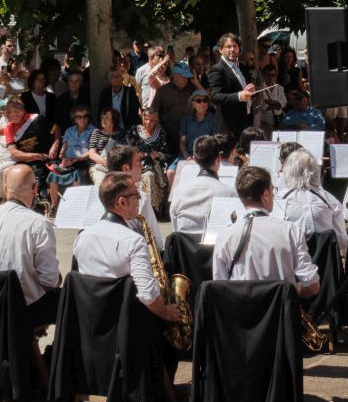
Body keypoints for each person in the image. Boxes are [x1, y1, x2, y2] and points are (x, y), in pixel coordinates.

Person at [72, 172, 185, 334]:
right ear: (122, 202)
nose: (140, 200)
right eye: (137, 195)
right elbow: (147, 295)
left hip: (90, 321)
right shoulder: (133, 241)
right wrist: (166, 311)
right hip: (124, 326)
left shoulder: (82, 237)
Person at [0, 164, 62, 330]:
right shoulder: (38, 224)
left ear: (5, 188)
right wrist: (58, 278)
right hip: (21, 309)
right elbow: (49, 282)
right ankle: (62, 353)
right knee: (69, 300)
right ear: (34, 189)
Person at [211, 166, 320, 294]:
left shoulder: (225, 236)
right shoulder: (291, 231)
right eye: (272, 190)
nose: (274, 195)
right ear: (266, 195)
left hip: (242, 312)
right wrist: (293, 291)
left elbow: (220, 289)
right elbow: (312, 285)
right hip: (281, 312)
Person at [276, 143, 347, 258]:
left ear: (288, 171)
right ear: (315, 171)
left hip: (289, 263)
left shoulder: (279, 200)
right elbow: (342, 241)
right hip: (324, 265)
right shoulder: (329, 200)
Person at [171, 135, 238, 236]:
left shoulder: (178, 192)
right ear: (219, 158)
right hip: (215, 250)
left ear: (195, 159)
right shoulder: (230, 194)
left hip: (184, 250)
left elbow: (175, 230)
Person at [203, 33, 260, 139]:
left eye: (235, 46)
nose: (232, 49)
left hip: (245, 122)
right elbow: (215, 97)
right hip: (228, 127)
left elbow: (246, 92)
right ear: (221, 50)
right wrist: (239, 96)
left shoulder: (242, 67)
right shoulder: (217, 69)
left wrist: (252, 92)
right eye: (228, 46)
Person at [47, 104, 98, 209]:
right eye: (79, 117)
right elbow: (64, 148)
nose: (83, 119)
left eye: (85, 116)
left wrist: (74, 160)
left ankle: (75, 207)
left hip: (82, 161)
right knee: (52, 176)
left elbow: (91, 152)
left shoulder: (94, 131)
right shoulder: (69, 131)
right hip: (68, 161)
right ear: (74, 119)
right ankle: (54, 206)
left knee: (76, 174)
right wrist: (62, 158)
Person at [179, 89, 224, 157]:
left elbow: (215, 141)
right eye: (199, 101)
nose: (202, 103)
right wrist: (186, 155)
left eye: (205, 100)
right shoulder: (186, 120)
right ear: (193, 104)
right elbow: (182, 142)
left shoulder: (214, 119)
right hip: (187, 156)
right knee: (171, 167)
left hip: (207, 156)